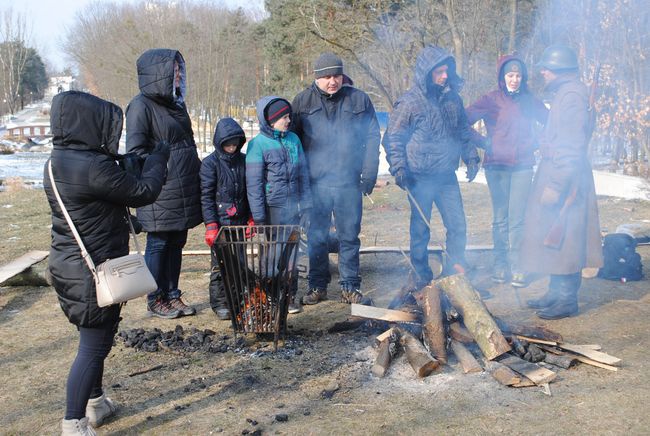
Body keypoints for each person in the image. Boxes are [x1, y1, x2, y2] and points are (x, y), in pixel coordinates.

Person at [44, 91, 169, 435]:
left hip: (69, 263)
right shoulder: (93, 166)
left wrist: (127, 162)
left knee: (95, 339)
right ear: (87, 124)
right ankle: (74, 423)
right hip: (91, 271)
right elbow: (143, 192)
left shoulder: (58, 160)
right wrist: (158, 159)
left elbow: (96, 205)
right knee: (93, 345)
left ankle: (96, 403)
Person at [382, 45, 480, 290]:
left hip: (446, 176)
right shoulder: (410, 102)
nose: (444, 76)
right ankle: (421, 276)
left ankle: (454, 273)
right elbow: (393, 137)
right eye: (439, 72)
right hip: (419, 177)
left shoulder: (452, 99)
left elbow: (463, 132)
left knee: (458, 226)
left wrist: (471, 157)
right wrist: (399, 167)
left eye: (447, 71)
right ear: (427, 72)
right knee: (420, 230)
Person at [519, 45, 603, 319]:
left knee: (566, 237)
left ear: (560, 70)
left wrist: (556, 185)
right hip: (559, 171)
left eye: (547, 67)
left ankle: (567, 300)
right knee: (553, 236)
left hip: (567, 177)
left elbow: (571, 147)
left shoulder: (571, 97)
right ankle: (555, 293)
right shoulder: (567, 93)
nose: (542, 71)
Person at [291, 53, 380, 305]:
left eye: (337, 76)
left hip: (348, 182)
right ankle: (317, 285)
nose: (333, 81)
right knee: (316, 235)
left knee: (349, 236)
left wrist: (370, 171)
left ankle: (350, 285)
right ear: (317, 77)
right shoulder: (302, 102)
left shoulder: (359, 99)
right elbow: (293, 144)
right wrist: (298, 183)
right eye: (327, 77)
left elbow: (373, 137)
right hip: (316, 184)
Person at [126, 48, 203, 319]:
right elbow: (135, 152)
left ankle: (172, 293)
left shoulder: (177, 104)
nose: (179, 75)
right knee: (158, 244)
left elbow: (186, 144)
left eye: (180, 70)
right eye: (174, 70)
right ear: (160, 73)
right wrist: (163, 170)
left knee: (177, 241)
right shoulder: (140, 106)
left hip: (184, 187)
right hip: (158, 188)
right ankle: (154, 297)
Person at [466, 55, 548, 287]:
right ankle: (501, 265)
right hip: (496, 166)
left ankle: (518, 266)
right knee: (500, 219)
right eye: (510, 75)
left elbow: (551, 121)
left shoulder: (529, 101)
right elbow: (462, 120)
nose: (514, 80)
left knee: (518, 219)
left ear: (523, 78)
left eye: (518, 75)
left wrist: (537, 142)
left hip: (522, 166)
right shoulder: (491, 99)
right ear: (503, 77)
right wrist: (484, 143)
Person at [246, 96, 312, 314]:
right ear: (271, 120)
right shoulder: (258, 145)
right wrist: (260, 217)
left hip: (294, 208)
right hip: (272, 208)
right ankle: (270, 295)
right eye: (284, 117)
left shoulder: (293, 139)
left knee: (292, 252)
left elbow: (303, 175)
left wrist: (307, 205)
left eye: (289, 116)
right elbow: (254, 185)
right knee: (273, 254)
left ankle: (289, 296)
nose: (288, 120)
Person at [200, 117, 251, 320]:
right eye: (228, 143)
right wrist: (211, 225)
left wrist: (251, 218)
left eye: (235, 143)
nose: (232, 147)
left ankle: (237, 300)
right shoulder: (209, 164)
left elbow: (249, 192)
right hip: (221, 224)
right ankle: (220, 302)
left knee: (239, 264)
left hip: (240, 222)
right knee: (220, 265)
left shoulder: (244, 161)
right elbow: (206, 196)